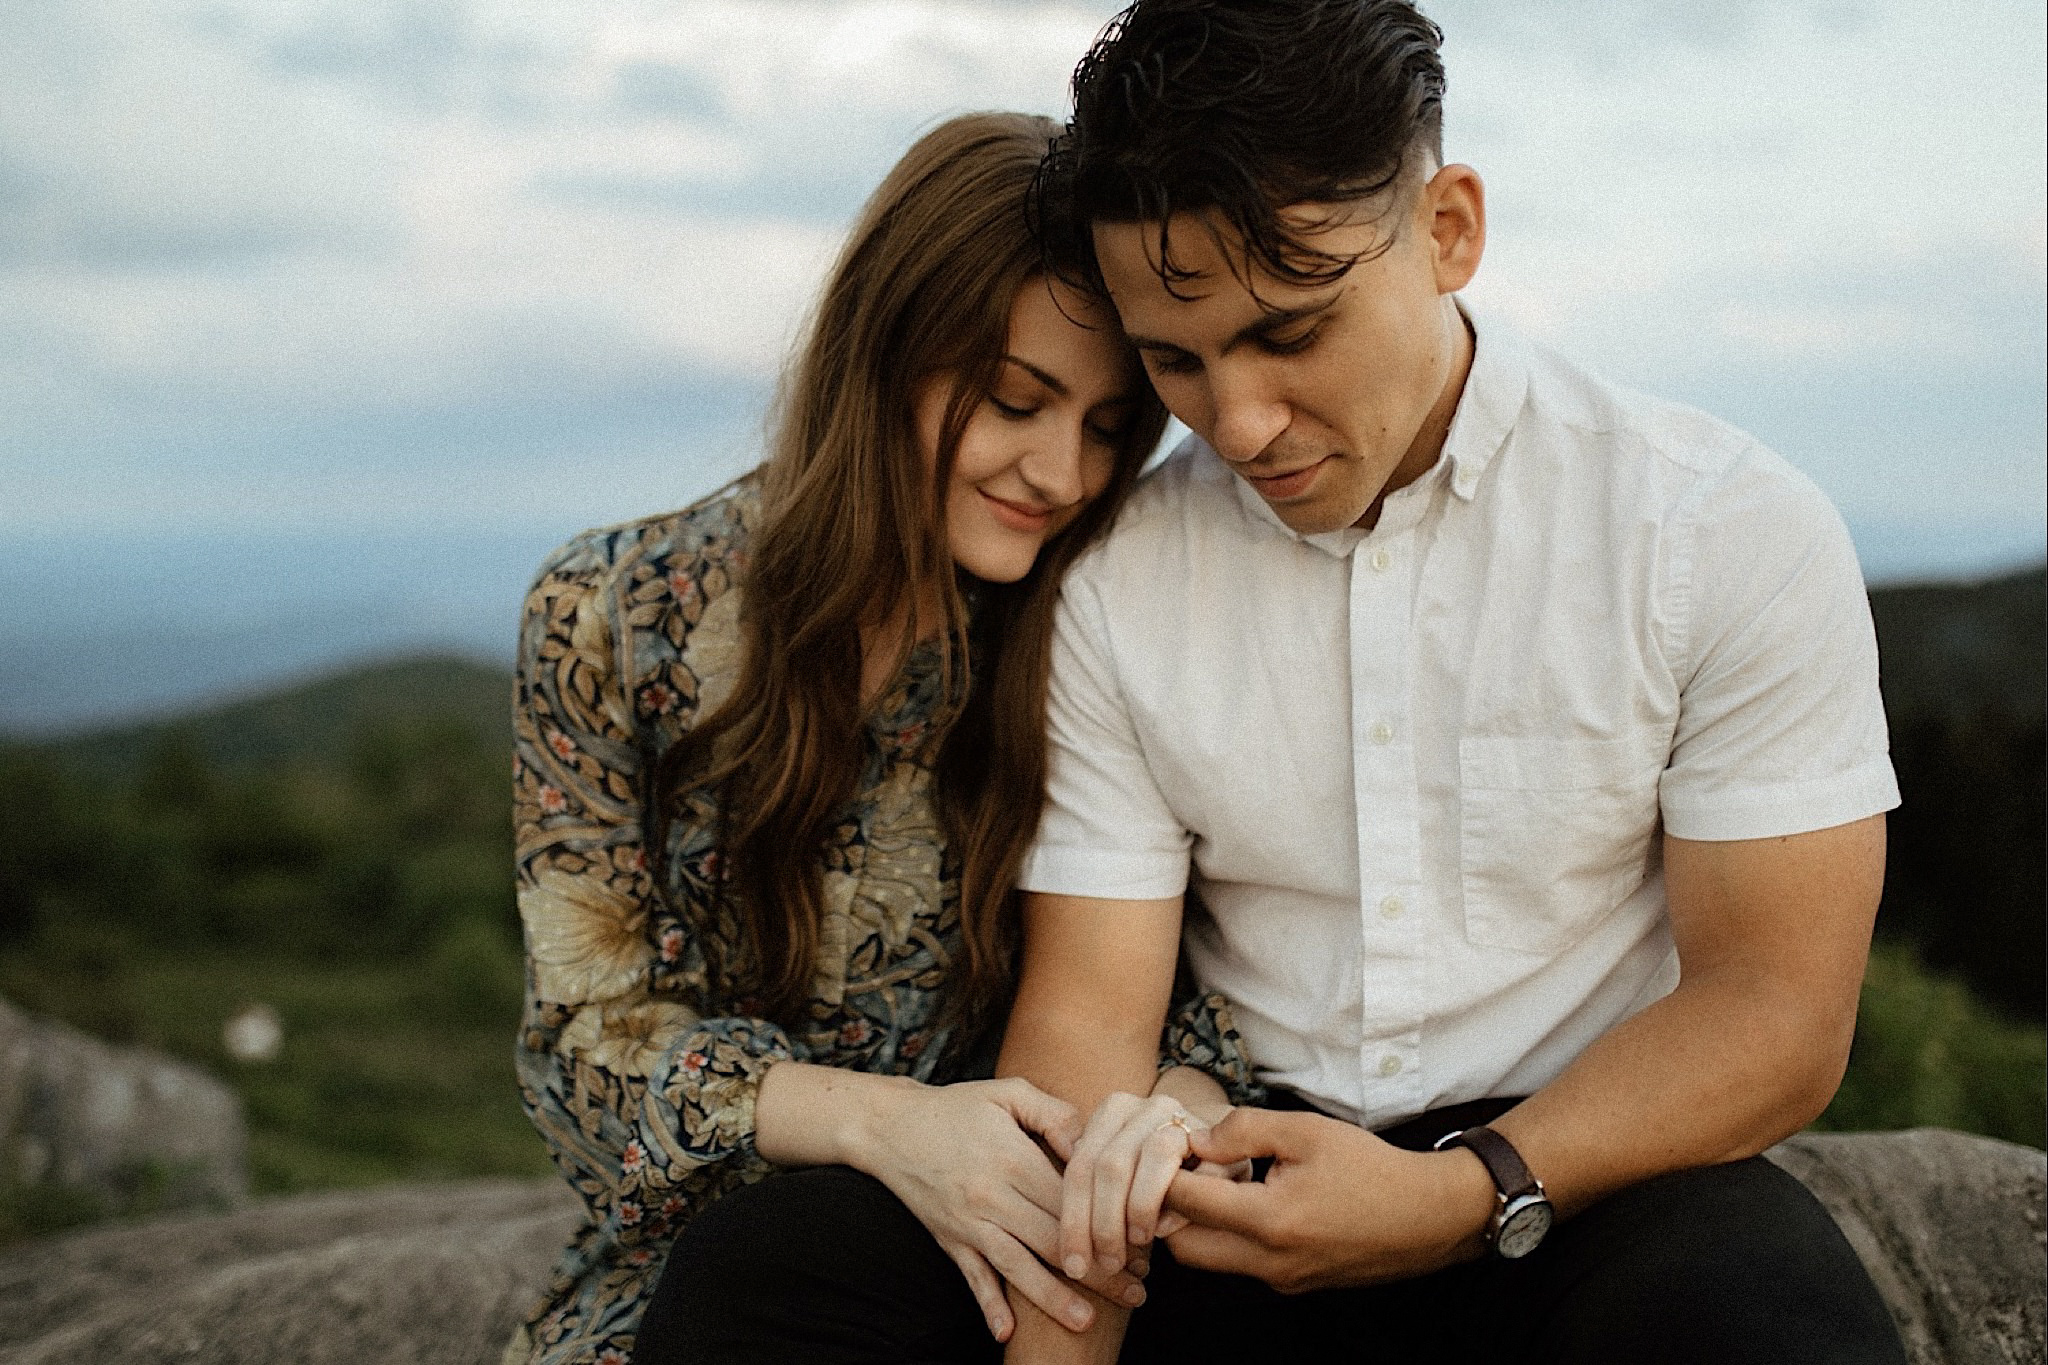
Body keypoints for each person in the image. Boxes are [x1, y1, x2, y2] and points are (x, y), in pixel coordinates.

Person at [989, 1, 1911, 1361]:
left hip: (1587, 1184)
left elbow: (1777, 1012)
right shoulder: (1118, 576)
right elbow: (1083, 1017)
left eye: (1290, 332)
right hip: (1229, 1178)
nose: (1237, 425)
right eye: (1175, 361)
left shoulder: (1719, 525)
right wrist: (1082, 1263)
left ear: (1449, 231)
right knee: (801, 1262)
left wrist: (1461, 1192)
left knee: (1764, 1319)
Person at [501, 111, 1258, 1365]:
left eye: (1108, 425)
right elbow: (585, 1053)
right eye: (1014, 400)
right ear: (884, 349)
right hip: (731, 1274)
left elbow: (1216, 995)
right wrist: (888, 1127)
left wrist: (1169, 1115)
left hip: (1057, 1247)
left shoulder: (1105, 625)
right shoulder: (608, 616)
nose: (1059, 472)